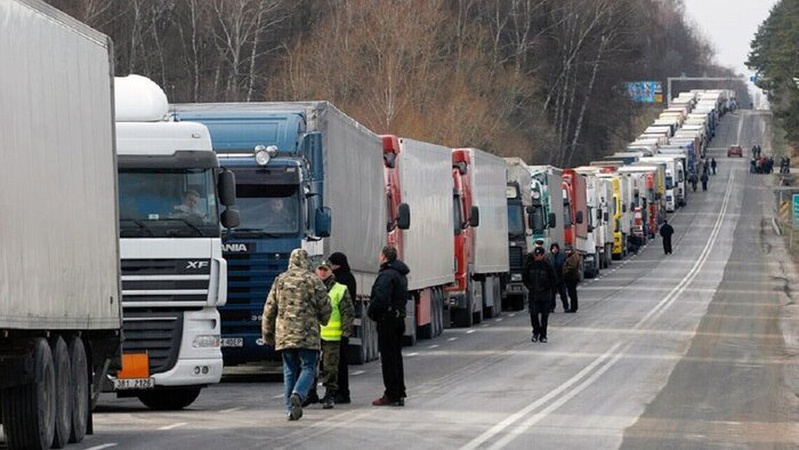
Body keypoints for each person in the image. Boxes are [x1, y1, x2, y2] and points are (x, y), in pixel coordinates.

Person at [262, 248, 331, 421]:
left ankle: (290, 409)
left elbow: (269, 309)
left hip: (285, 335)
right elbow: (325, 307)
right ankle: (298, 394)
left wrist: (268, 335)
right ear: (307, 262)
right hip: (308, 334)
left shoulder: (280, 280)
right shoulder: (314, 281)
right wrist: (324, 320)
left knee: (289, 370)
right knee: (308, 367)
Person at [368, 245, 409, 407]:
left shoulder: (386, 275)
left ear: (384, 257)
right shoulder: (401, 274)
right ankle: (399, 392)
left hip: (388, 320)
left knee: (388, 359)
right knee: (396, 357)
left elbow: (381, 299)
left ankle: (391, 394)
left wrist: (372, 313)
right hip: (399, 319)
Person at [315, 260, 354, 410]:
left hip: (333, 337)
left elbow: (348, 313)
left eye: (326, 269)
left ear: (331, 271)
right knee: (311, 367)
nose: (323, 272)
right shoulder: (311, 288)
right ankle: (311, 393)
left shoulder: (340, 289)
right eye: (320, 269)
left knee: (330, 368)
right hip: (314, 336)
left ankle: (330, 394)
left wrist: (345, 333)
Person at [328, 251, 356, 404]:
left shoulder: (340, 280)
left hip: (337, 328)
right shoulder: (349, 277)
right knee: (340, 362)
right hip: (342, 327)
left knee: (338, 363)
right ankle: (342, 392)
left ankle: (341, 392)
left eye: (331, 264)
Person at [523, 246, 556, 343]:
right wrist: (530, 287)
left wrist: (546, 288)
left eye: (539, 255)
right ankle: (536, 332)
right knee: (533, 314)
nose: (538, 257)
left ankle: (543, 335)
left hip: (545, 295)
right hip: (534, 295)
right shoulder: (530, 266)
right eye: (536, 255)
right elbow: (525, 278)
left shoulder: (547, 266)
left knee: (544, 317)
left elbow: (553, 280)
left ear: (543, 255)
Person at [549, 243, 568, 312]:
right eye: (553, 248)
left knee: (563, 294)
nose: (555, 249)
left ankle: (566, 307)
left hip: (561, 277)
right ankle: (551, 308)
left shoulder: (562, 255)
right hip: (552, 278)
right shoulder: (549, 256)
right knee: (552, 295)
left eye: (556, 248)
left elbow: (565, 264)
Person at [562, 245, 582, 313]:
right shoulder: (571, 256)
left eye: (568, 250)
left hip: (572, 277)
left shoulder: (573, 257)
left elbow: (572, 267)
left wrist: (565, 270)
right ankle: (573, 307)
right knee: (572, 293)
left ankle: (573, 307)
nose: (567, 252)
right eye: (566, 251)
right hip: (570, 277)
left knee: (572, 293)